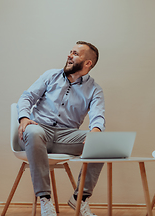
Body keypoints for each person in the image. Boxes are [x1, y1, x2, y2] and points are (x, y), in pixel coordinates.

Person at [17, 41, 105, 216]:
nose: (69, 56)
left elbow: (98, 117)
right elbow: (27, 97)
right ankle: (45, 199)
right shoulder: (50, 76)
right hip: (39, 130)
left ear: (88, 63)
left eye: (75, 54)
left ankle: (80, 199)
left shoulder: (94, 89)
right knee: (34, 132)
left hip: (67, 136)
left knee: (101, 144)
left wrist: (95, 132)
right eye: (70, 52)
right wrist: (25, 117)